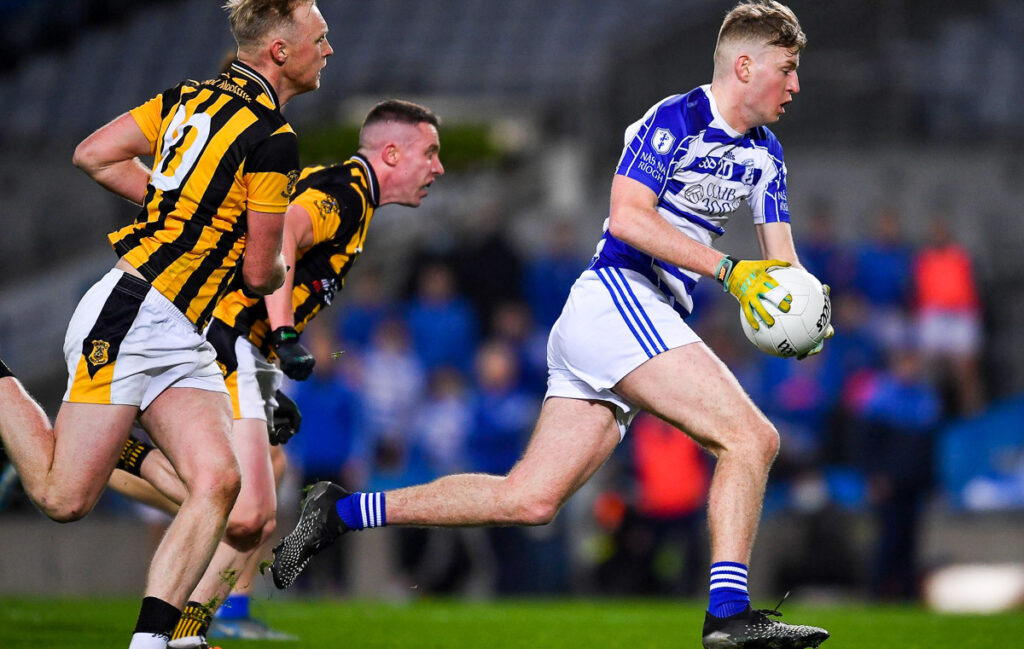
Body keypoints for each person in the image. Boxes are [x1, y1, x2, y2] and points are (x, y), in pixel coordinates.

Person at [271, 3, 831, 648]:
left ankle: (338, 511)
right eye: (786, 70)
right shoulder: (676, 119)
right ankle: (727, 617)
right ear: (744, 64)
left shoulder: (767, 153)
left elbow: (782, 266)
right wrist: (731, 271)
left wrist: (805, 315)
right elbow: (626, 218)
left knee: (529, 500)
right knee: (750, 439)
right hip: (619, 296)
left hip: (634, 320)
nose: (794, 86)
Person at [0, 2, 331, 648]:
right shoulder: (274, 139)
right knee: (62, 497)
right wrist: (274, 261)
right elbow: (262, 271)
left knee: (221, 483)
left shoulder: (189, 98)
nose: (329, 49)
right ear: (281, 53)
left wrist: (174, 207)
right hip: (136, 315)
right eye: (320, 38)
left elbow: (93, 154)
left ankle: (157, 640)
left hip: (178, 328)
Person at [107, 99, 445, 647]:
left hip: (248, 350)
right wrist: (285, 335)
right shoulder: (349, 191)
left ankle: (190, 632)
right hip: (225, 337)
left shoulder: (352, 194)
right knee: (243, 509)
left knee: (255, 514)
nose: (438, 167)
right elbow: (284, 231)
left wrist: (270, 375)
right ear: (391, 152)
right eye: (430, 152)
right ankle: (119, 454)